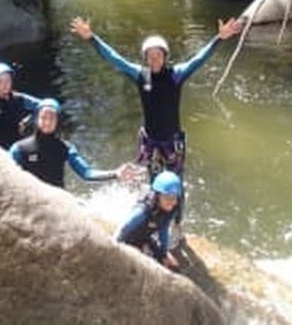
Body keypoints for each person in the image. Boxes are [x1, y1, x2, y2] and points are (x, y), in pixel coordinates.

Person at [70, 15, 243, 236]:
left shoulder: (176, 75)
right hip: (151, 143)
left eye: (158, 55)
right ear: (145, 58)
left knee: (176, 185)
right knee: (155, 185)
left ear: (165, 56)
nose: (154, 60)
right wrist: (91, 38)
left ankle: (178, 223)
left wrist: (219, 38)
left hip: (172, 143)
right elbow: (114, 59)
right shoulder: (141, 76)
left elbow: (199, 59)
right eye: (150, 56)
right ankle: (154, 224)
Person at [9, 98, 132, 189]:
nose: (47, 122)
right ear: (36, 119)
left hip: (58, 202)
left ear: (58, 121)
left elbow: (86, 173)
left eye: (52, 118)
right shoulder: (19, 148)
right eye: (43, 117)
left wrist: (115, 173)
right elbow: (8, 177)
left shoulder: (65, 148)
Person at [116, 171, 182, 270]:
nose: (172, 202)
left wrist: (163, 254)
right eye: (168, 198)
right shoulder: (143, 211)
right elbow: (123, 229)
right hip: (129, 239)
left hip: (146, 237)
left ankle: (155, 252)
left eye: (174, 198)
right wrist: (117, 249)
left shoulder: (169, 210)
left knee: (173, 266)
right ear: (158, 196)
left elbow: (163, 232)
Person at [0, 62, 41, 149]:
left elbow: (42, 106)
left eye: (8, 80)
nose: (5, 85)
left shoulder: (19, 98)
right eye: (0, 81)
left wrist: (28, 120)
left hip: (18, 144)